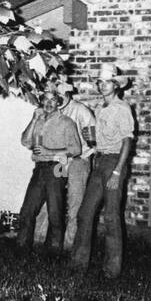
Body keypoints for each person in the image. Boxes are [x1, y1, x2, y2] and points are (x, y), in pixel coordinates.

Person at [71, 64, 136, 279]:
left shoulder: (122, 108)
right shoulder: (100, 109)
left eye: (106, 82)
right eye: (100, 82)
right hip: (99, 162)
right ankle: (78, 266)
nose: (102, 85)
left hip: (114, 162)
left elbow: (127, 142)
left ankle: (111, 271)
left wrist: (117, 172)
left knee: (111, 216)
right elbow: (96, 138)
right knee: (85, 213)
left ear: (116, 85)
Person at [16, 88, 81, 253]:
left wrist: (49, 152)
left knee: (55, 211)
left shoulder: (67, 122)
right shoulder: (38, 120)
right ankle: (21, 251)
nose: (49, 103)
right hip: (39, 168)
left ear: (59, 102)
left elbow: (75, 149)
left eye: (53, 100)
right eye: (46, 99)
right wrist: (33, 119)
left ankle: (54, 252)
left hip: (58, 166)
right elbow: (25, 142)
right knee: (27, 210)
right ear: (41, 101)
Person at [57, 79, 97, 249]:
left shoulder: (80, 110)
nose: (55, 98)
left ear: (66, 93)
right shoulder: (52, 110)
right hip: (59, 161)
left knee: (75, 201)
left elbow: (93, 140)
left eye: (59, 94)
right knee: (50, 198)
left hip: (79, 161)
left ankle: (70, 245)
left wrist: (79, 152)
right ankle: (40, 239)